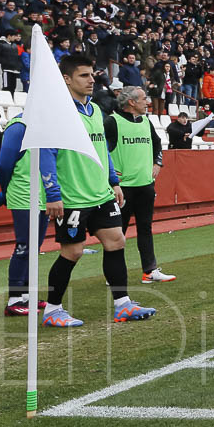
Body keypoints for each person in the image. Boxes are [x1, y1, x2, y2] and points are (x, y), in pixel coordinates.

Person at [41, 54, 156, 327]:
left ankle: (123, 305)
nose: (91, 79)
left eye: (92, 74)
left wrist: (113, 181)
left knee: (116, 241)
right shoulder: (58, 112)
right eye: (83, 75)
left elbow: (101, 148)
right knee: (73, 252)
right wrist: (53, 195)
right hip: (73, 197)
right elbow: (46, 152)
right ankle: (52, 310)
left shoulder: (95, 111)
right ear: (67, 79)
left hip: (100, 193)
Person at [104, 85, 175, 283]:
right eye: (144, 99)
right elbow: (99, 149)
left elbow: (157, 143)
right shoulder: (112, 122)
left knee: (145, 228)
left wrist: (157, 163)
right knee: (118, 233)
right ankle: (113, 274)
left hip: (145, 185)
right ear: (131, 102)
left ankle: (149, 271)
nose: (148, 102)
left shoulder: (146, 121)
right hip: (122, 188)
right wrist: (109, 174)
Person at [0, 112, 55, 315]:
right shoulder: (19, 126)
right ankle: (14, 299)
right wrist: (6, 191)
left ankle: (27, 295)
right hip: (23, 194)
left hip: (41, 195)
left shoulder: (44, 124)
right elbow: (3, 165)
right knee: (24, 244)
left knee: (34, 246)